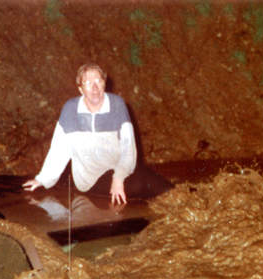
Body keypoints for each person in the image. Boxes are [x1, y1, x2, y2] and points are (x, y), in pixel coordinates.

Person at [23, 63, 172, 205]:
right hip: (91, 178)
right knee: (138, 184)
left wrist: (118, 178)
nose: (94, 88)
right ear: (80, 89)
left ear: (104, 84)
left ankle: (178, 198)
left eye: (98, 81)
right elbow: (59, 149)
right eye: (88, 83)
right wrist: (42, 179)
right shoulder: (70, 109)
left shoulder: (117, 104)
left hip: (117, 167)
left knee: (163, 186)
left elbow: (128, 148)